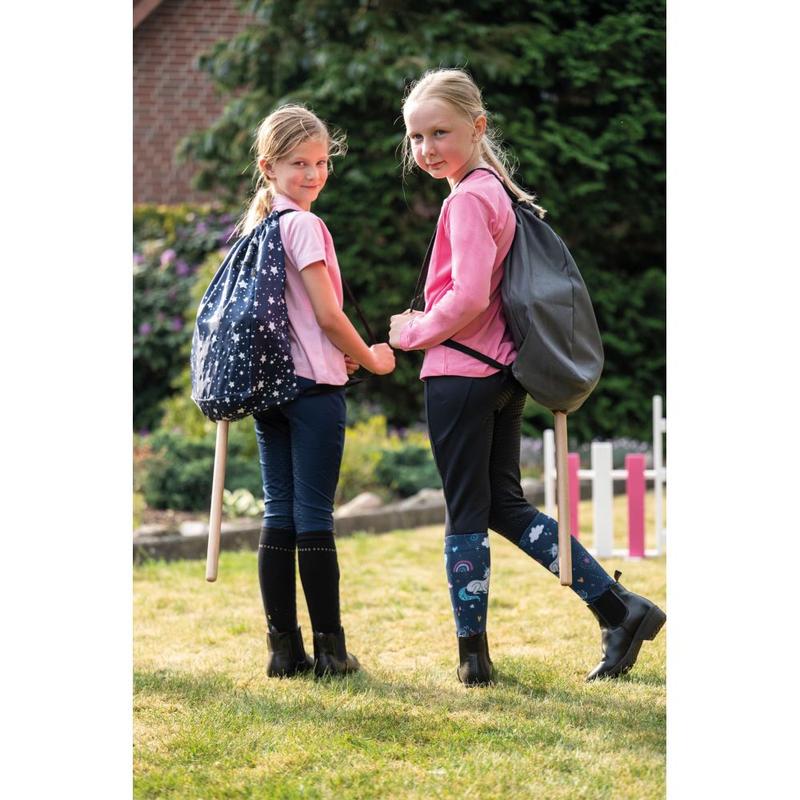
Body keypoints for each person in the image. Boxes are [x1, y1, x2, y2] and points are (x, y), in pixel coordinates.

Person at [389, 69, 665, 686]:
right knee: (504, 506)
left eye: (440, 133)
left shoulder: (467, 199)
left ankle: (474, 661)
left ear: (478, 127)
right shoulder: (494, 190)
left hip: (461, 374)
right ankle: (620, 609)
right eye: (416, 137)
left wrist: (410, 332)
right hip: (501, 374)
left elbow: (466, 298)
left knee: (466, 513)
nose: (427, 148)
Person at [237, 104, 395, 678]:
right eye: (299, 163)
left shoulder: (258, 229)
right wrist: (372, 358)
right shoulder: (304, 226)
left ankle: (284, 651)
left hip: (271, 390)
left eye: (322, 162)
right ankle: (331, 651)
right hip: (312, 393)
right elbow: (328, 316)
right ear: (269, 167)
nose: (313, 174)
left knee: (278, 513)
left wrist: (338, 353)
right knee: (313, 516)